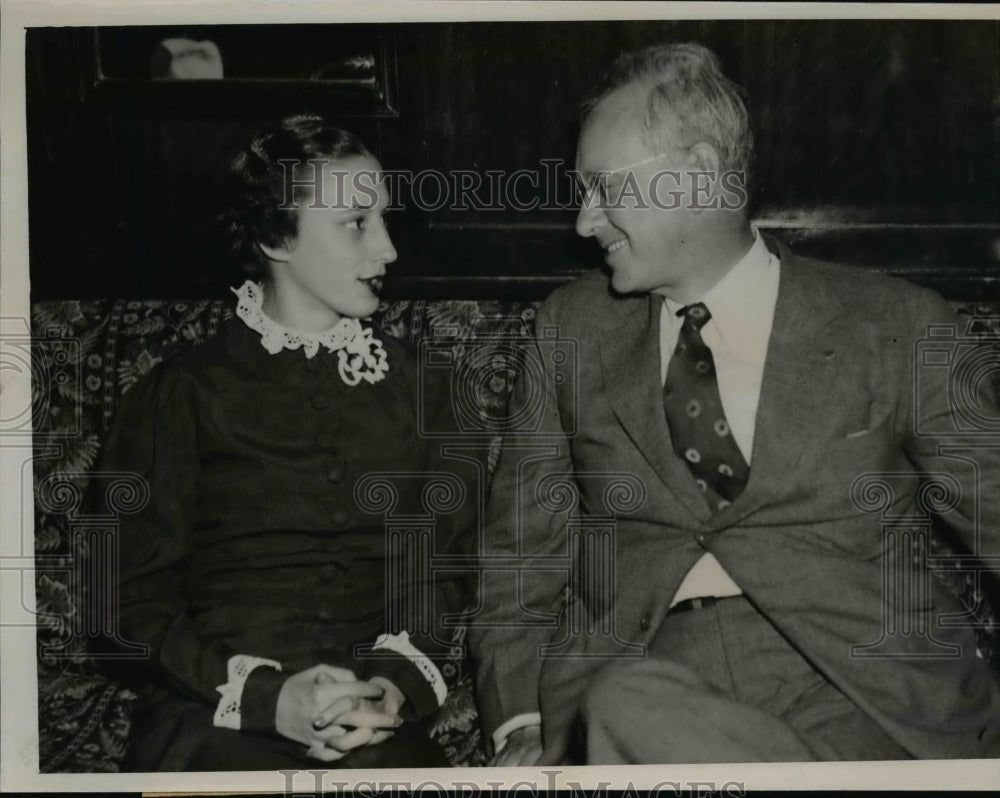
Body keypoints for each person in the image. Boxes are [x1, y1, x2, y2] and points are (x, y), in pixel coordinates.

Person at [471, 42, 1000, 765]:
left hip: (865, 694)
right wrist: (520, 722)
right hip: (646, 696)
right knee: (625, 702)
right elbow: (520, 558)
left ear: (695, 173)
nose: (584, 222)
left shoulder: (896, 325)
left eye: (604, 188)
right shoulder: (570, 330)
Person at [93, 114, 481, 771]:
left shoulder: (426, 389)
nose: (387, 249)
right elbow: (125, 599)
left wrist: (387, 690)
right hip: (210, 711)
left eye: (384, 220)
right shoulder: (182, 392)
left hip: (369, 721)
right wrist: (266, 700)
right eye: (356, 223)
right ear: (276, 236)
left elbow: (440, 574)